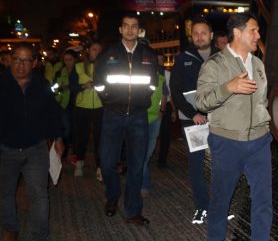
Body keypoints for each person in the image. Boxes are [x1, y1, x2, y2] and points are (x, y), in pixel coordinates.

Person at [196, 12, 278, 241]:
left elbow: (260, 102)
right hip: (227, 141)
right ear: (237, 32)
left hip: (259, 141)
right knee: (222, 196)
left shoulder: (258, 63)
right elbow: (202, 102)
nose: (258, 35)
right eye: (253, 30)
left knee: (263, 199)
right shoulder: (214, 65)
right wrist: (228, 87)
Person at [0, 43, 64, 241]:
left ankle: (39, 240)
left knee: (39, 194)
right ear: (9, 60)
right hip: (5, 149)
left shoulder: (41, 84)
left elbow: (53, 112)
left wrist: (58, 137)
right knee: (6, 193)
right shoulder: (2, 83)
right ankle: (11, 228)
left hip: (35, 149)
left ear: (34, 63)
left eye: (26, 60)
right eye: (17, 59)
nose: (21, 65)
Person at [93, 13, 158, 225]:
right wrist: (109, 100)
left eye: (134, 26)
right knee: (107, 162)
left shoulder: (148, 54)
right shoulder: (108, 53)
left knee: (137, 164)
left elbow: (152, 84)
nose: (130, 30)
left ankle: (133, 210)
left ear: (139, 30)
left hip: (138, 116)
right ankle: (112, 196)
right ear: (120, 29)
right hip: (113, 114)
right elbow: (98, 82)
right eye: (126, 26)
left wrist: (142, 99)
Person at [170, 19, 219, 224]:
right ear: (191, 37)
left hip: (218, 121)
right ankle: (202, 207)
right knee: (197, 167)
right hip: (193, 122)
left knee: (222, 165)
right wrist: (193, 114)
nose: (199, 37)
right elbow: (175, 91)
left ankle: (219, 206)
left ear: (211, 35)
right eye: (196, 33)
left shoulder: (222, 58)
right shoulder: (183, 59)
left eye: (203, 33)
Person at [73, 41, 103, 179]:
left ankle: (100, 167)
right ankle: (79, 163)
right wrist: (82, 86)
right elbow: (72, 86)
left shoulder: (104, 66)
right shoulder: (78, 66)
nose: (97, 52)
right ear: (88, 51)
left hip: (100, 106)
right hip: (82, 107)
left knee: (100, 138)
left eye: (99, 50)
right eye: (94, 49)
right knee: (81, 137)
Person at [141, 52, 169, 196]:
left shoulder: (161, 78)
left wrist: (162, 111)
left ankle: (139, 179)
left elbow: (164, 95)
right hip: (139, 119)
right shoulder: (140, 76)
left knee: (148, 153)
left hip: (155, 119)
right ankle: (144, 184)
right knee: (142, 153)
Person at [52, 49, 80, 159]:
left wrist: (70, 87)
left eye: (70, 59)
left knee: (75, 129)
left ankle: (73, 152)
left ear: (75, 60)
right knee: (66, 129)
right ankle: (64, 151)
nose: (68, 62)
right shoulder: (59, 73)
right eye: (66, 60)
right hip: (63, 104)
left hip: (77, 103)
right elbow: (53, 89)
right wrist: (60, 88)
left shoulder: (79, 72)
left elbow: (82, 87)